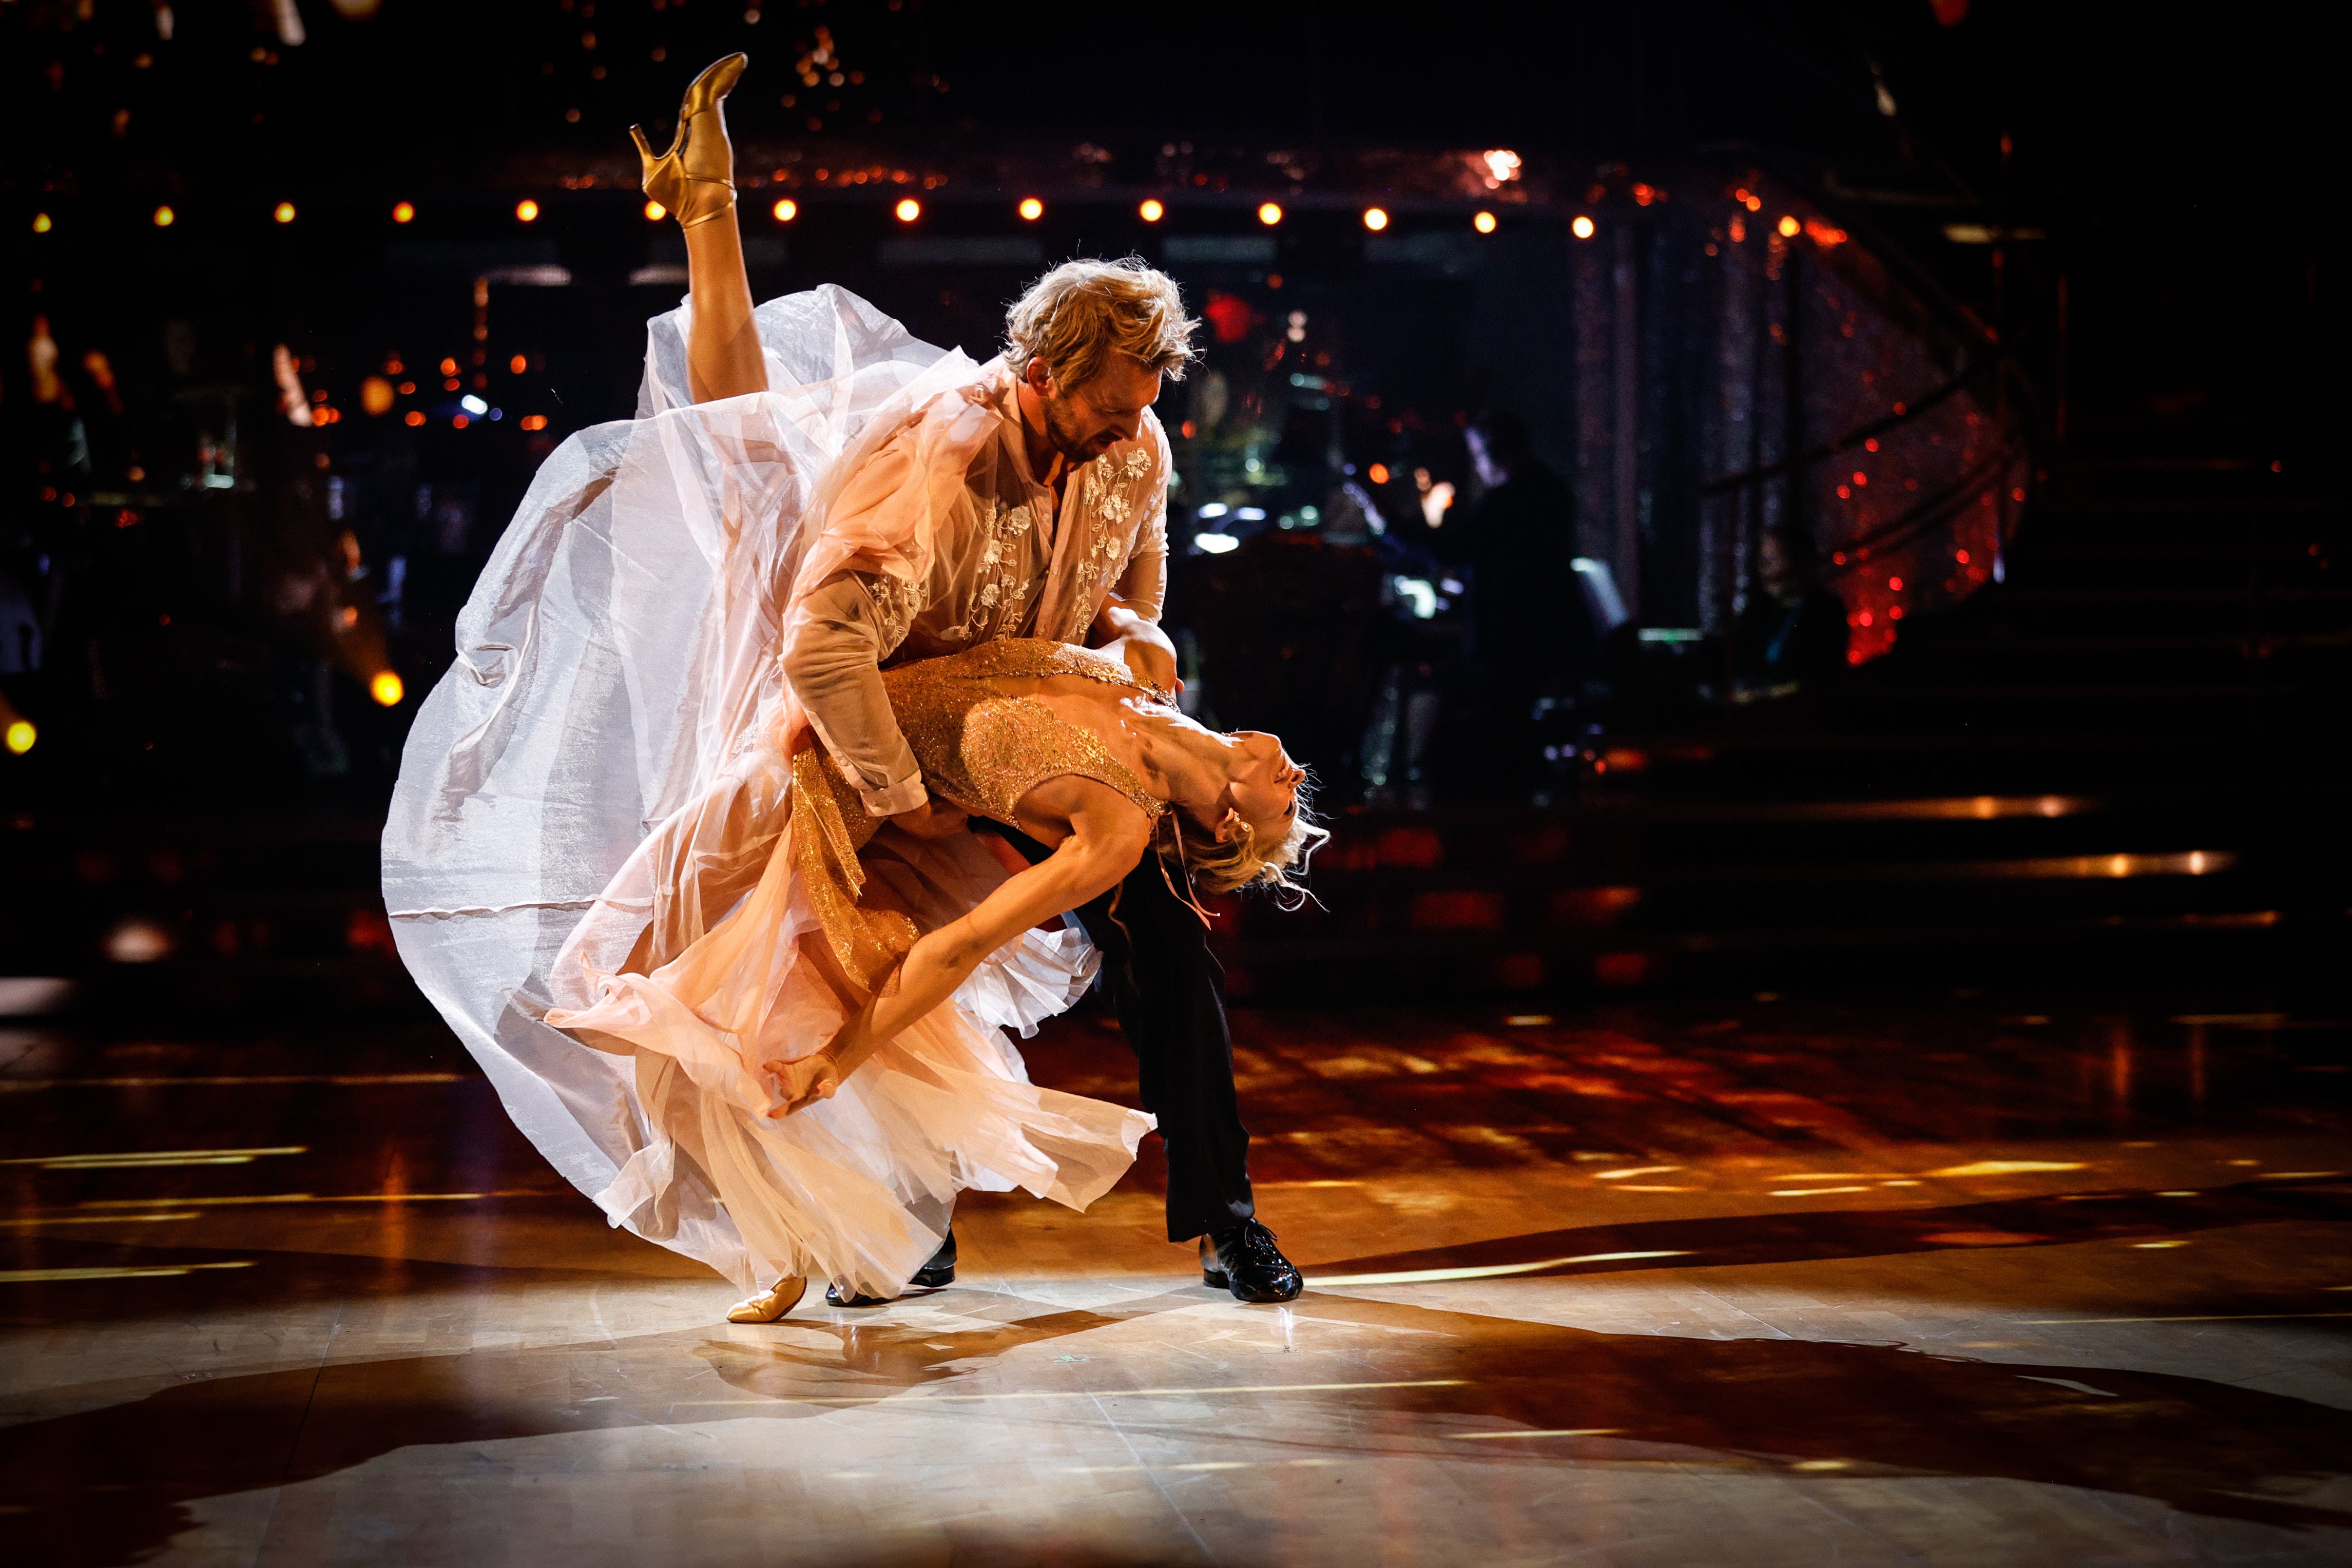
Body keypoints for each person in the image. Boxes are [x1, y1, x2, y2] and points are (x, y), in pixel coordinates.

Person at [383, 54, 1317, 1325]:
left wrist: (1133, 624)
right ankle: (893, 1223)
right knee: (856, 954)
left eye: (1139, 409)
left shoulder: (1133, 441)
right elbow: (823, 655)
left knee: (1169, 949)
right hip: (891, 737)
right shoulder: (935, 470)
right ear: (1039, 368)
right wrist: (898, 797)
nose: (1126, 430)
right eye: (1104, 405)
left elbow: (1136, 564)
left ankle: (1225, 1216)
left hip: (1048, 729)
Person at [1425, 411, 1590, 792]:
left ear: (1490, 452)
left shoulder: (1507, 500)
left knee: (1490, 738)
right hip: (1544, 633)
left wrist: (1386, 521)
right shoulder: (1551, 489)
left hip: (1509, 638)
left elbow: (1452, 549)